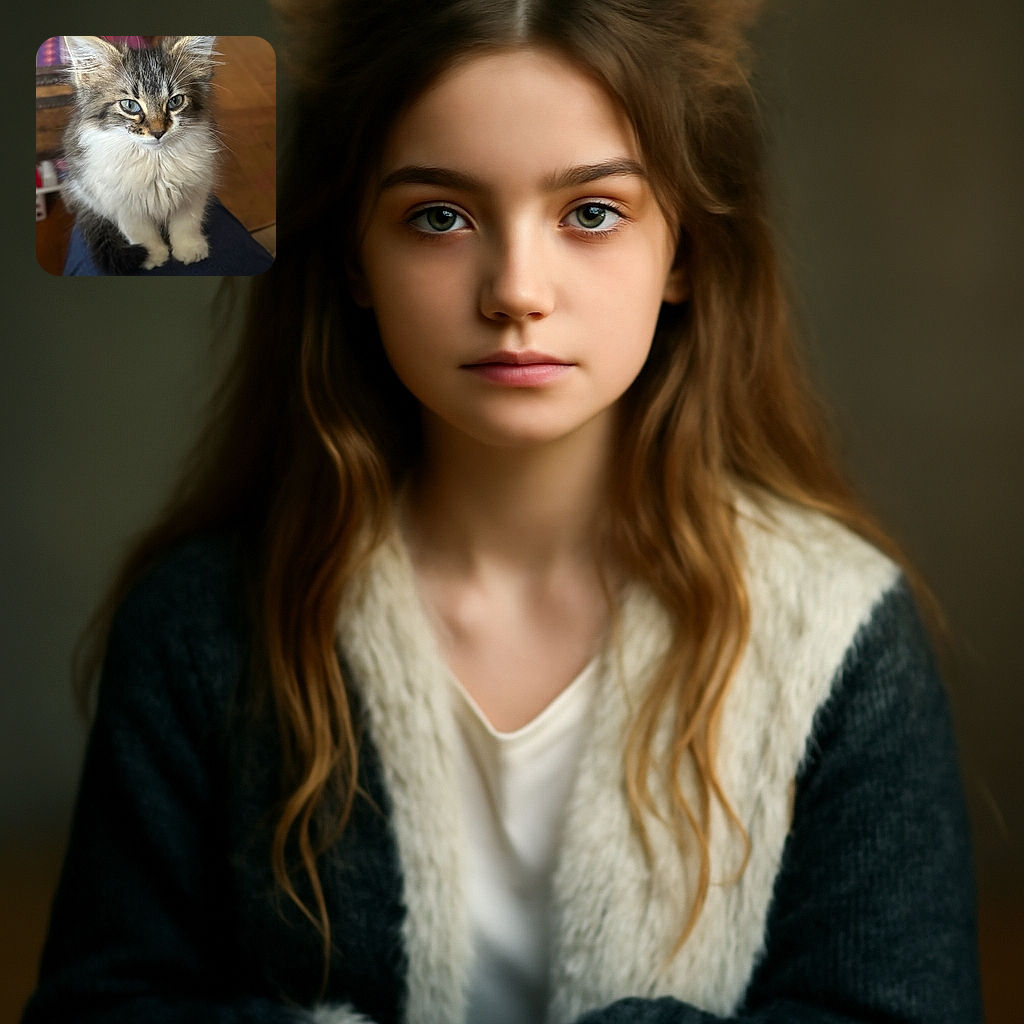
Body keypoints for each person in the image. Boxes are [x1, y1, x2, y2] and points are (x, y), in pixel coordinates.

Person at [22, 1, 982, 1022]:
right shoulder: (202, 623)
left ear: (687, 251)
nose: (516, 291)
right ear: (352, 257)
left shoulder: (840, 631)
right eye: (439, 216)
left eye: (593, 212)